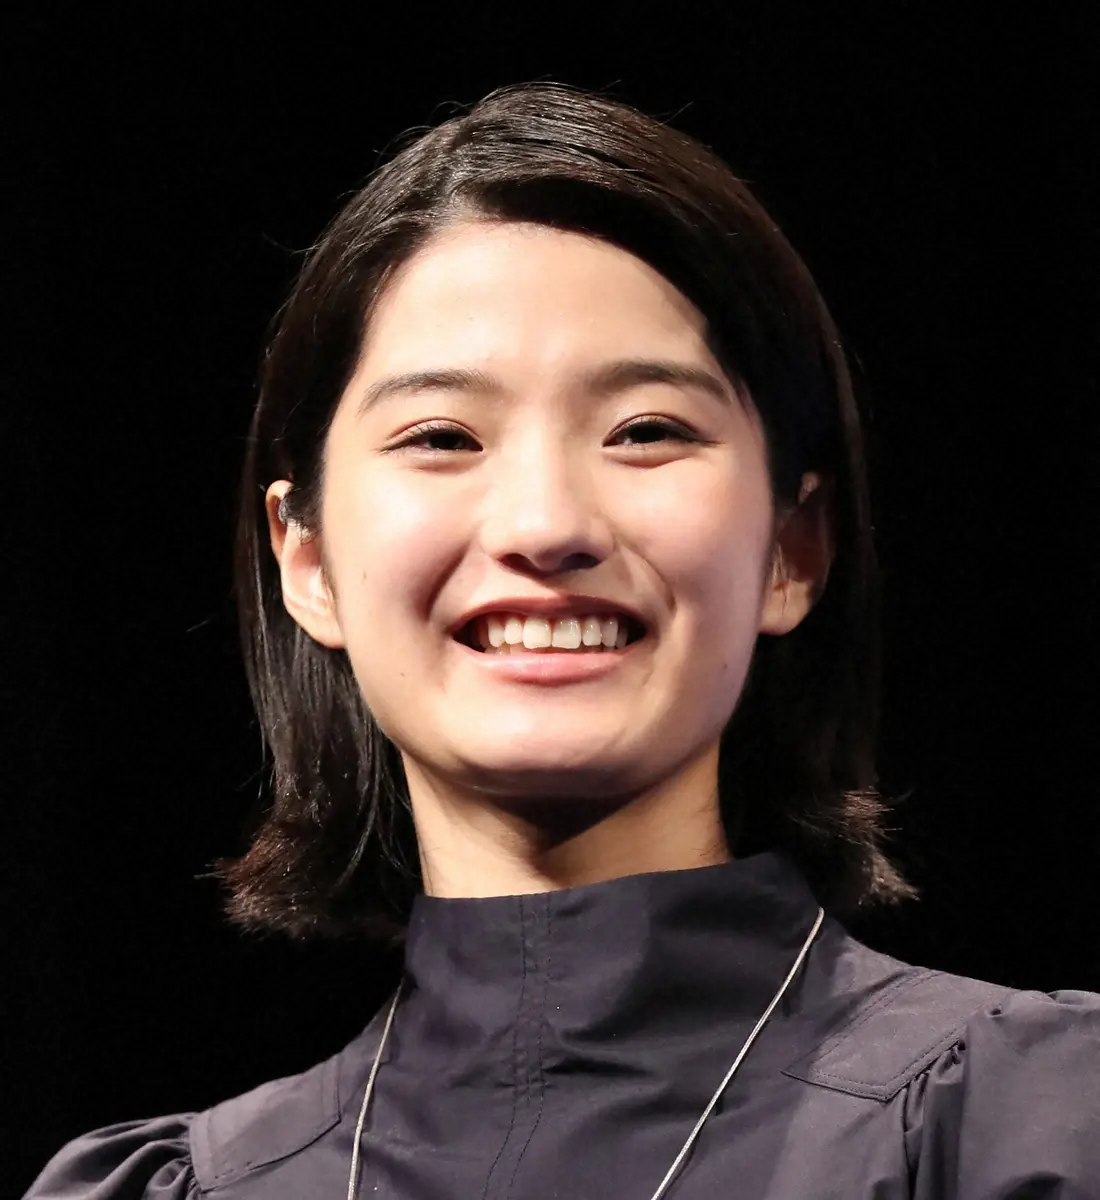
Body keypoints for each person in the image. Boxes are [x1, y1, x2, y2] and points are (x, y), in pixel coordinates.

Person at [25, 82, 1098, 1200]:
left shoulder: (1024, 1131)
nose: (544, 525)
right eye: (442, 437)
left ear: (792, 547)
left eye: (645, 431)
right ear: (307, 560)